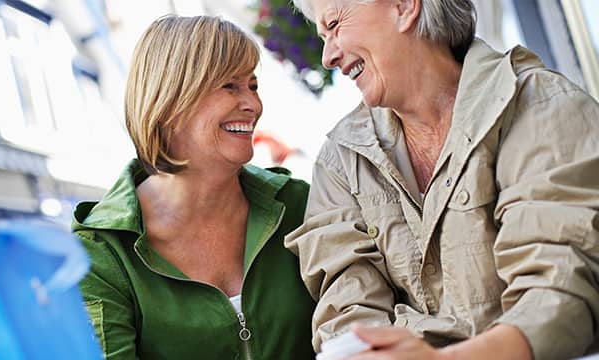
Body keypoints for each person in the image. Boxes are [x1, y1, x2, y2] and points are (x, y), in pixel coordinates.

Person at [284, 1, 599, 359]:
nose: (328, 56)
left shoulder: (541, 106)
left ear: (404, 7)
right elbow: (348, 312)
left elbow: (562, 288)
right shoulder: (340, 160)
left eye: (336, 24)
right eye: (323, 35)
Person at [73, 15, 315, 360]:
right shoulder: (103, 251)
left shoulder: (298, 205)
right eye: (230, 86)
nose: (253, 104)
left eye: (253, 85)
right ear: (171, 100)